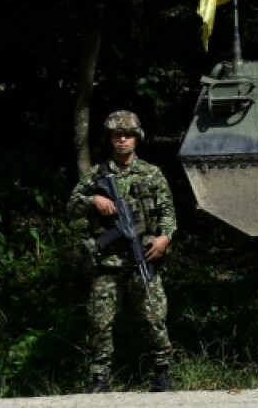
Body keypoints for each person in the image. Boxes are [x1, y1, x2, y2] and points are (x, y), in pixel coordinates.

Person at [68, 110, 177, 393]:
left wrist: (164, 238)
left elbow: (167, 213)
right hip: (107, 262)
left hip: (143, 257)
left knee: (155, 318)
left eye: (128, 135)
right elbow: (71, 207)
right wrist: (94, 200)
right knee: (100, 323)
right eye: (118, 135)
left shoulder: (152, 174)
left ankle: (162, 375)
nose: (123, 139)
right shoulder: (97, 175)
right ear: (110, 139)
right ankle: (99, 379)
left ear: (136, 139)